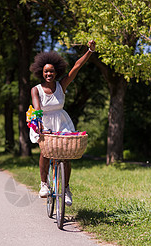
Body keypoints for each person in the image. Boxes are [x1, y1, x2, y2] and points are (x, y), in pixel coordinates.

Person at [29, 40, 96, 205]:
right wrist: (41, 127)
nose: (49, 74)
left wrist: (89, 51)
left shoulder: (61, 85)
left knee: (65, 156)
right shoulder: (36, 89)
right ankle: (44, 184)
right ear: (41, 72)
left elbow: (76, 67)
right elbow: (37, 109)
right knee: (45, 152)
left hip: (62, 122)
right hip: (43, 121)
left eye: (51, 71)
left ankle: (66, 188)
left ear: (56, 72)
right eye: (46, 72)